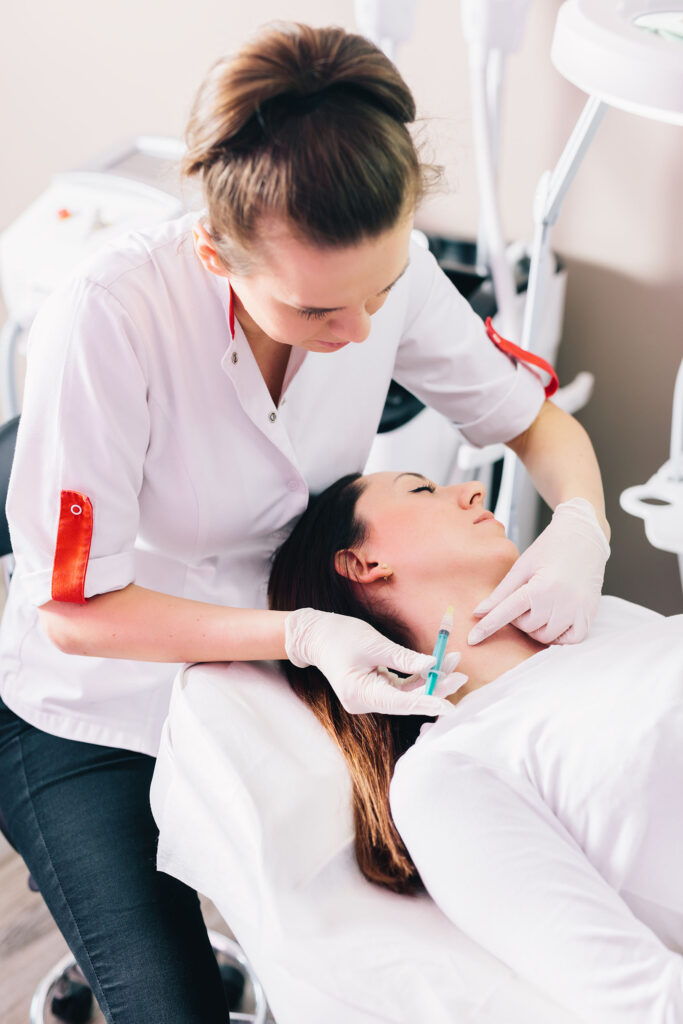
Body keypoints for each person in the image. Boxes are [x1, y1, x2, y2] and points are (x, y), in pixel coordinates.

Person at [0, 19, 610, 1024]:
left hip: (275, 682)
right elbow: (74, 609)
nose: (360, 334)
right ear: (213, 253)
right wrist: (302, 632)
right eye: (317, 313)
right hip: (93, 703)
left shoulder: (389, 275)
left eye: (375, 293)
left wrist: (582, 524)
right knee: (169, 1002)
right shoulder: (107, 319)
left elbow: (537, 425)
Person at [267, 469, 683, 1024]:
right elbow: (645, 1002)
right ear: (365, 564)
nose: (471, 491)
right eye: (422, 489)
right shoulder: (448, 774)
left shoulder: (597, 620)